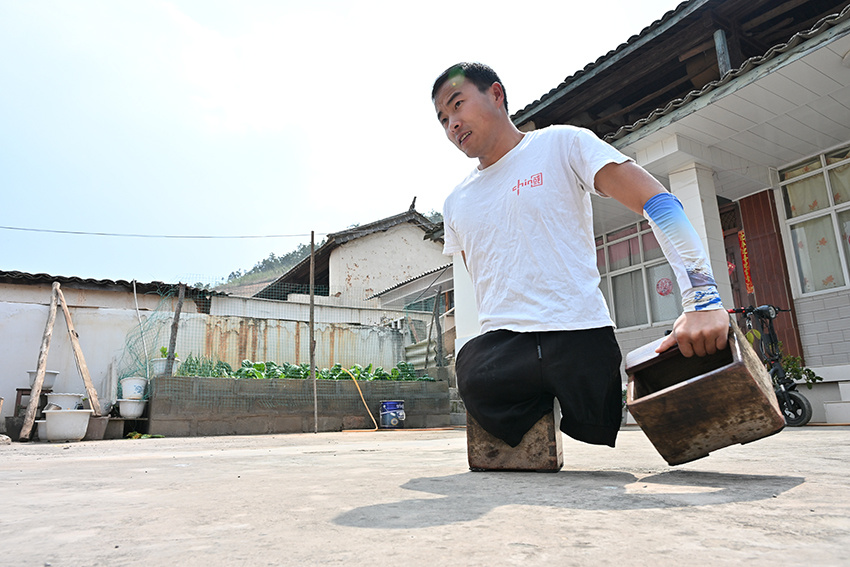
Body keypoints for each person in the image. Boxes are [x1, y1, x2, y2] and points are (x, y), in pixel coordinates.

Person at [432, 62, 729, 448]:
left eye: (457, 104)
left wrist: (703, 300)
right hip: (501, 354)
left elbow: (659, 204)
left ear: (496, 94)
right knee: (471, 367)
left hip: (580, 338)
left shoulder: (562, 144)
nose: (452, 124)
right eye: (443, 119)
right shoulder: (457, 202)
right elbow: (484, 281)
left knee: (681, 379)